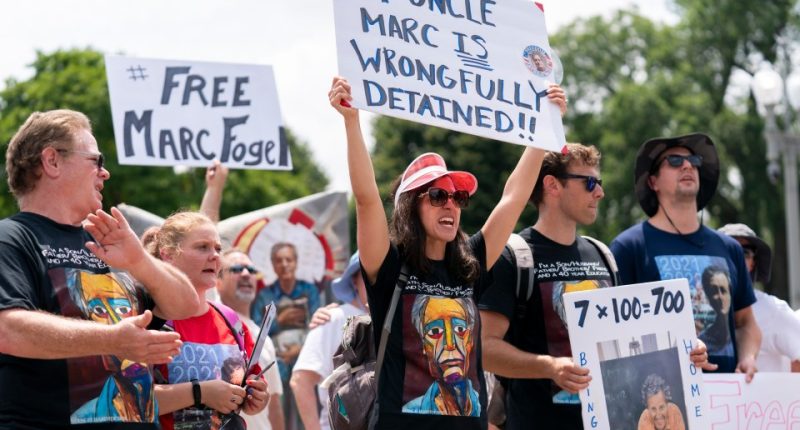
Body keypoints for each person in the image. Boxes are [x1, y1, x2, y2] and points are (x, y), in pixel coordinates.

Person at [329, 75, 566, 429]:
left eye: (458, 197)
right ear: (410, 207)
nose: (451, 205)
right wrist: (352, 121)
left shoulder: (470, 263)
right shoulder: (390, 265)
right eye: (438, 195)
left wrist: (543, 127)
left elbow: (514, 197)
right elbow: (366, 200)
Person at [479, 144, 712, 430]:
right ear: (552, 186)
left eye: (598, 183)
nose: (599, 192)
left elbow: (630, 341)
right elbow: (483, 348)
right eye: (589, 183)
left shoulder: (603, 255)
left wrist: (686, 347)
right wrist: (550, 367)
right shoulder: (513, 256)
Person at [0, 109, 200, 428]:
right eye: (97, 160)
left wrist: (140, 261)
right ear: (52, 161)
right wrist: (113, 339)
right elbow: (8, 329)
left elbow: (187, 305)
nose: (105, 173)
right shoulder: (11, 238)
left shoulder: (110, 242)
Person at [610, 133, 761, 380]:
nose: (688, 165)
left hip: (727, 395)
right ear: (653, 182)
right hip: (661, 394)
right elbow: (616, 332)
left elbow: (746, 323)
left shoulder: (729, 248)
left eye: (694, 160)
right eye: (674, 161)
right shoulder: (629, 247)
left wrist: (748, 356)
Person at [144, 211, 270, 429]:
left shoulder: (230, 319)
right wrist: (199, 392)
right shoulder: (148, 319)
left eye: (218, 249)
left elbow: (255, 385)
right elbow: (129, 399)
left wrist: (257, 398)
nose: (215, 256)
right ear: (168, 255)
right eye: (202, 247)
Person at [291, 252, 369, 430]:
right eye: (368, 273)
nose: (377, 280)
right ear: (354, 281)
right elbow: (301, 381)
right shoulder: (334, 318)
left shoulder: (397, 320)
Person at [251, 241, 321, 430]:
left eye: (288, 259)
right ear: (273, 265)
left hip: (305, 358)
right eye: (279, 260)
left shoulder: (310, 291)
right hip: (277, 361)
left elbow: (318, 326)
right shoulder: (264, 295)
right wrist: (279, 321)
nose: (284, 264)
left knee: (307, 410)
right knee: (279, 410)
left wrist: (300, 349)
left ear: (296, 262)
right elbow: (256, 332)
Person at [218, 249, 286, 430]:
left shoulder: (264, 338)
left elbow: (274, 404)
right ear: (218, 281)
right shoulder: (211, 325)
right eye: (236, 269)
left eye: (251, 270)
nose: (246, 274)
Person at [718, 223, 800, 372]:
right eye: (727, 250)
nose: (736, 257)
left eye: (744, 252)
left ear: (753, 263)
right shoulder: (700, 308)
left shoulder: (772, 310)